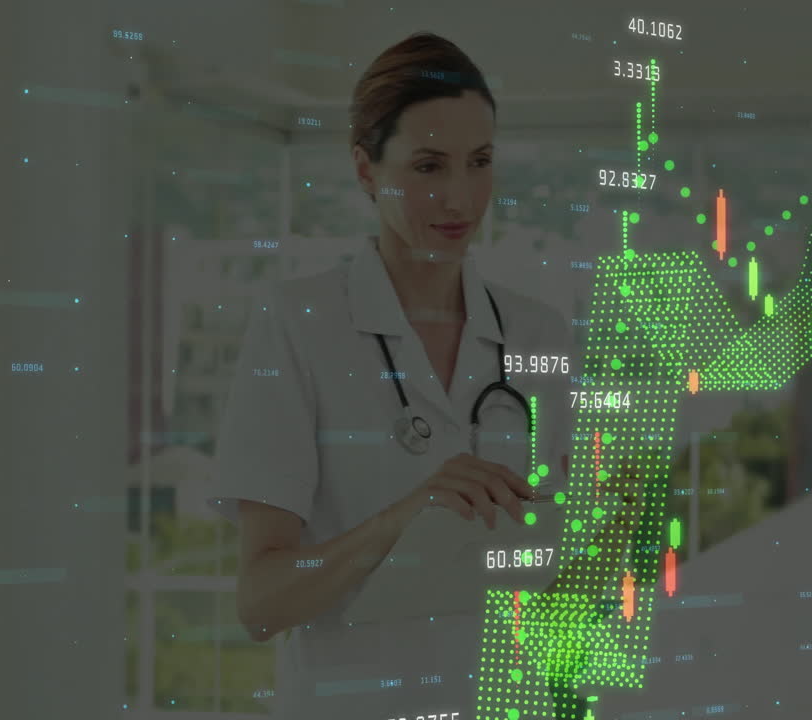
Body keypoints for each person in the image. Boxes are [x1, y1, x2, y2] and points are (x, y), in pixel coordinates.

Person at [206, 32, 634, 720]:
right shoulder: (298, 325)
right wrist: (404, 519)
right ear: (365, 170)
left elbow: (553, 602)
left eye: (479, 163)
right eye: (429, 166)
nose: (459, 198)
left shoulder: (538, 334)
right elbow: (260, 603)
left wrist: (606, 535)